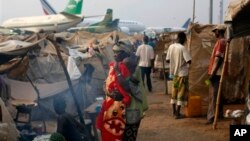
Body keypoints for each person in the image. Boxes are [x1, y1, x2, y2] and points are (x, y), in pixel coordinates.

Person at [96, 40, 148, 141]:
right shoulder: (116, 65)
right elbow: (107, 83)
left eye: (117, 53)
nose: (114, 55)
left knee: (128, 138)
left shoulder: (133, 67)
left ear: (125, 53)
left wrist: (117, 71)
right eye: (114, 52)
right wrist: (109, 92)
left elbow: (128, 86)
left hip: (131, 110)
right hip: (117, 111)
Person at [166, 32, 192, 119]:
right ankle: (177, 113)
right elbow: (189, 61)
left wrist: (174, 62)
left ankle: (174, 112)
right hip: (182, 74)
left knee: (174, 92)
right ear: (183, 39)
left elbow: (168, 60)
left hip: (174, 74)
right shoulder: (182, 48)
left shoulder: (171, 46)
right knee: (181, 93)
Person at [206, 24, 227, 125]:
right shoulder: (224, 41)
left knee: (213, 96)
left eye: (215, 32)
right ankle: (219, 113)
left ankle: (212, 116)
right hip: (220, 72)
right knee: (218, 94)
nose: (214, 33)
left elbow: (218, 59)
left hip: (217, 73)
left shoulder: (220, 42)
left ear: (219, 32)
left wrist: (212, 73)